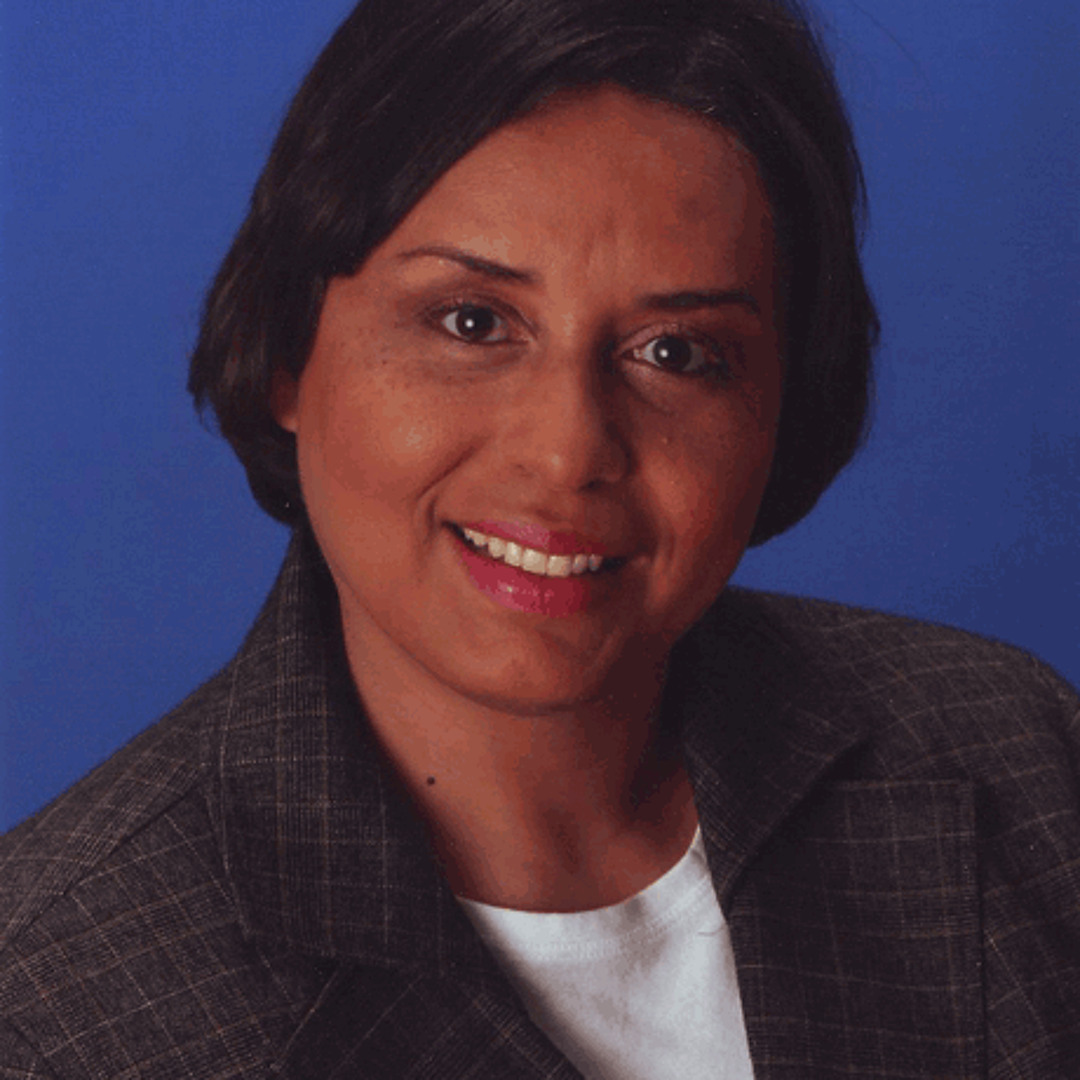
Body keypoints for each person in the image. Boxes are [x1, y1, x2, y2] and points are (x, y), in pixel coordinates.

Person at [1, 0, 1076, 1076]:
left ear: (782, 406)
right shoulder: (51, 1006)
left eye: (677, 351)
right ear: (288, 351)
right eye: (472, 322)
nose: (567, 452)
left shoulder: (1023, 759)